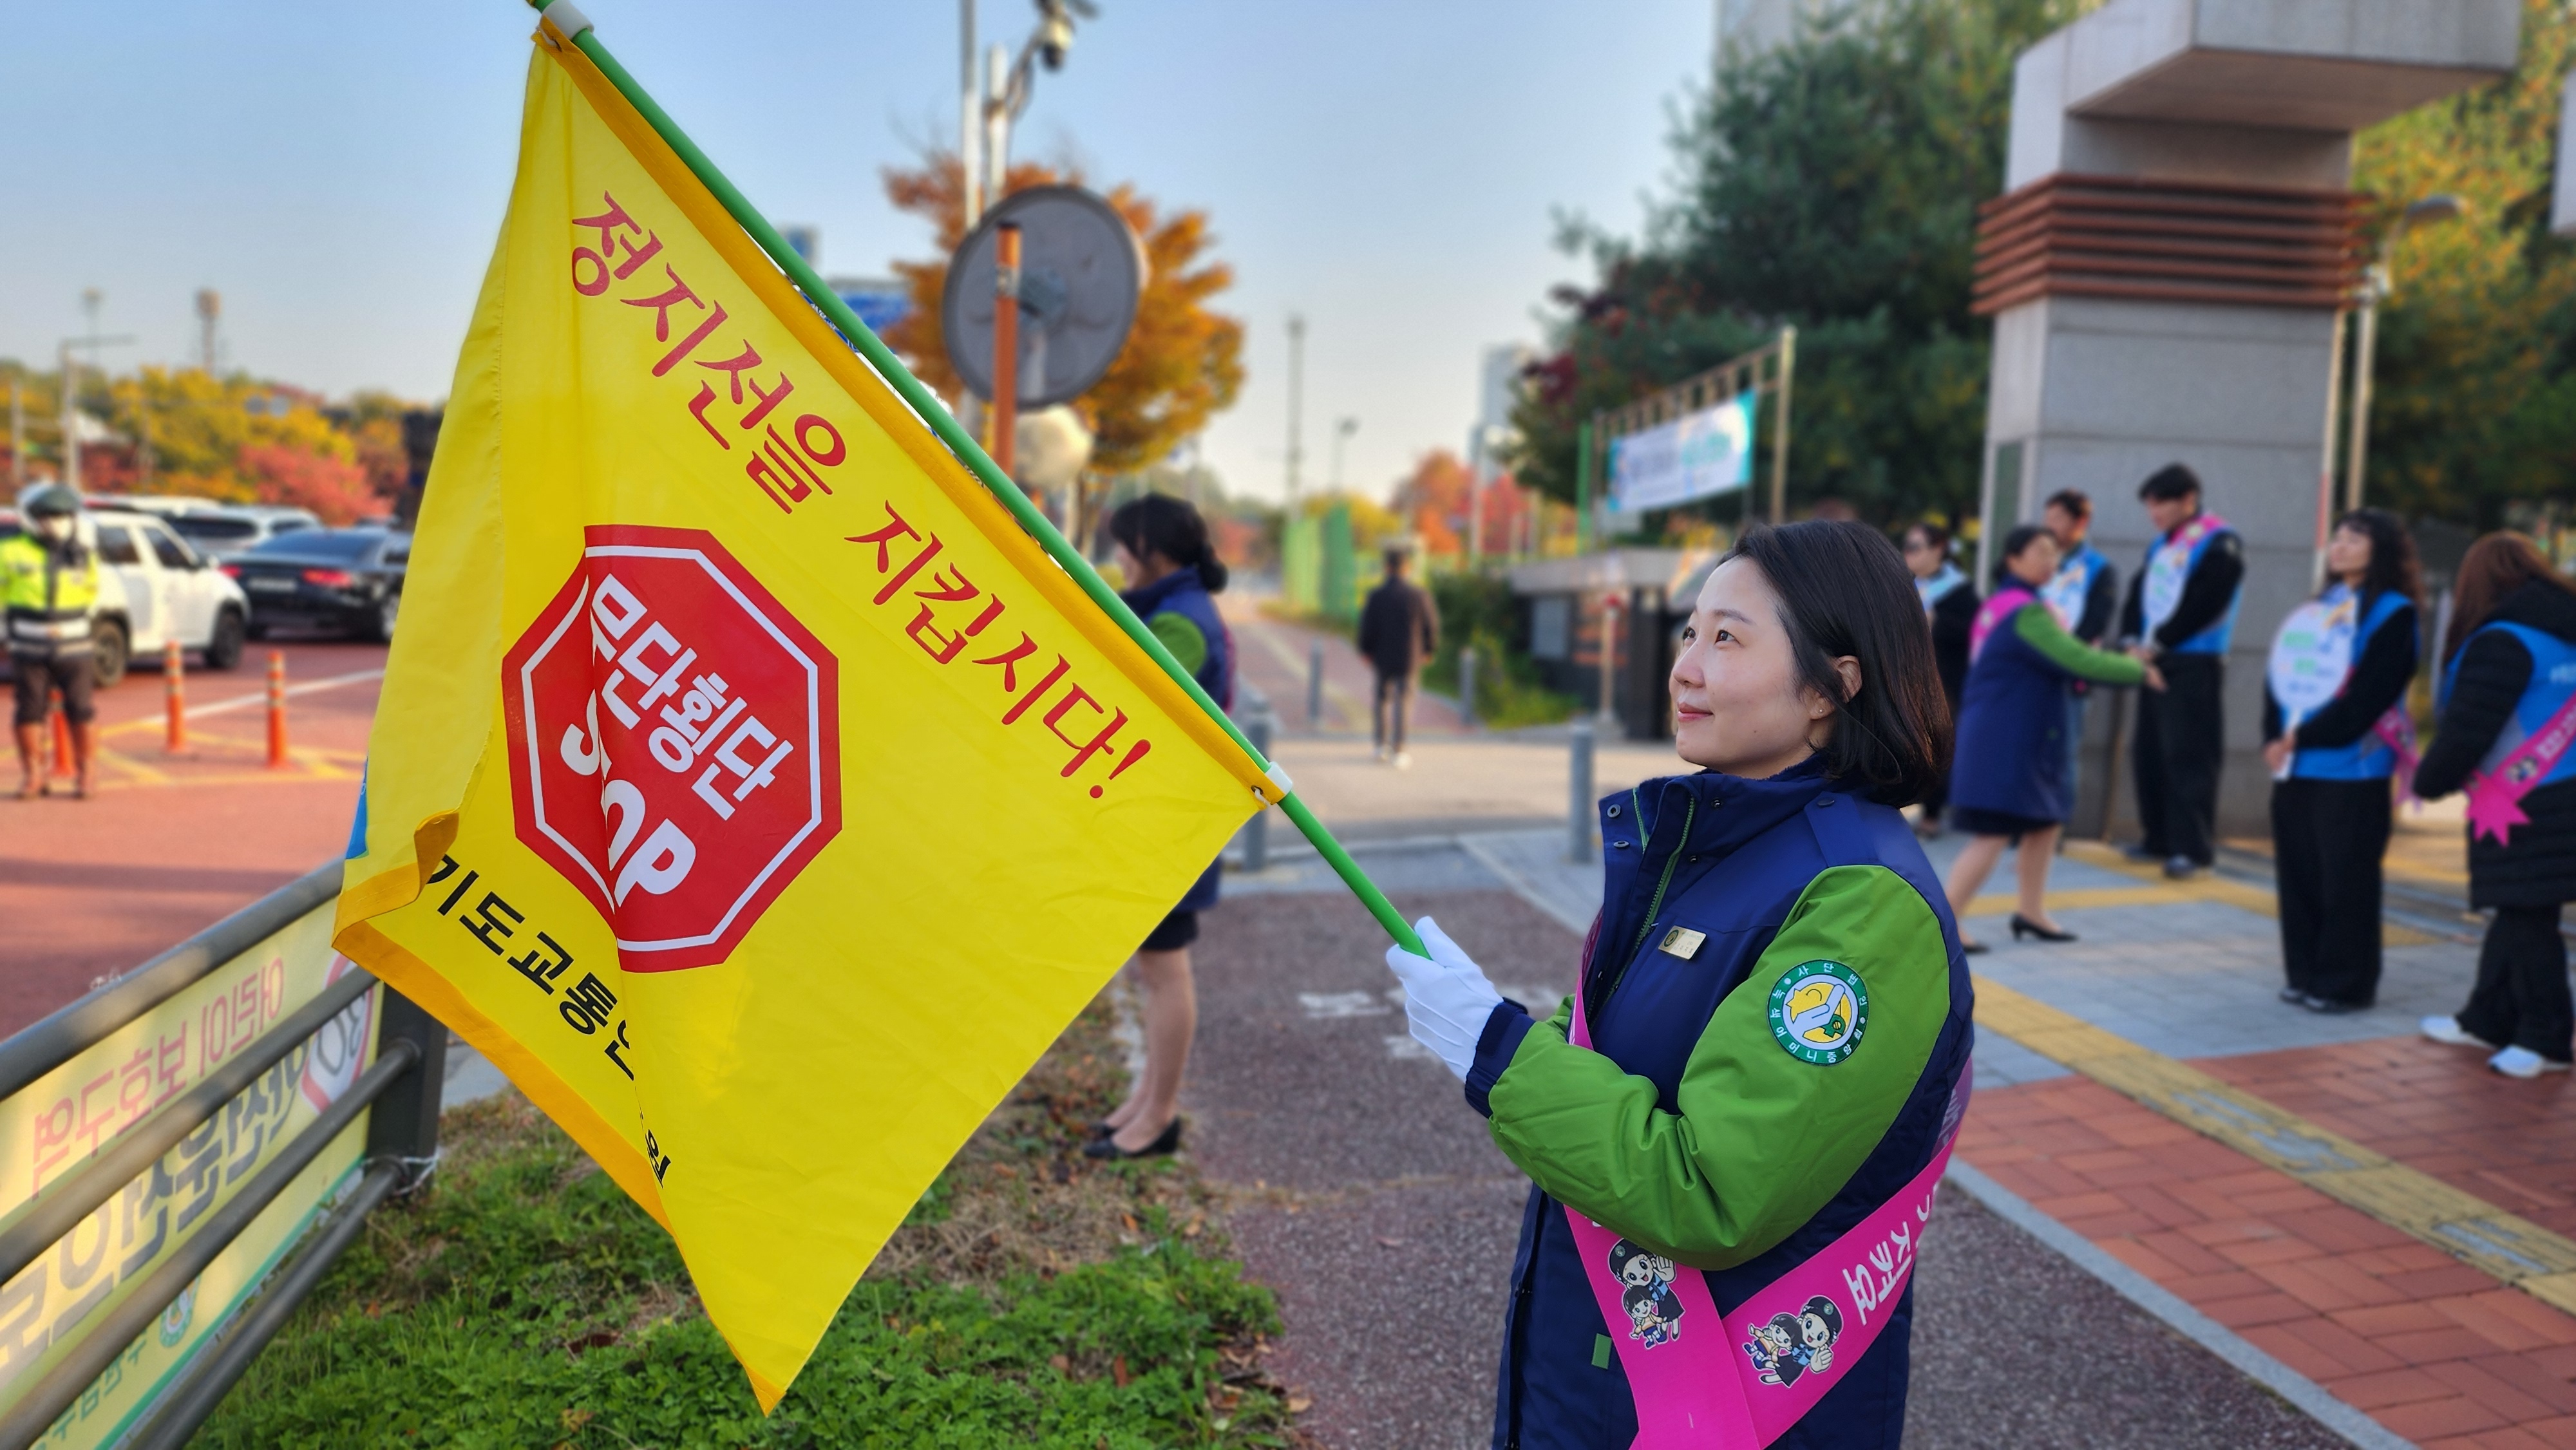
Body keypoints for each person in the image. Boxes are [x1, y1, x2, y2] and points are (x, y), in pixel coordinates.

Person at [1381, 520, 1971, 1448]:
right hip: (1606, 1380)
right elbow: (1616, 1054)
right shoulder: (1718, 845)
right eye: (1690, 632)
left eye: (1727, 639)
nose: (1685, 668)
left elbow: (1709, 1188)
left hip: (1730, 1408)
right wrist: (1507, 1029)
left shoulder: (1863, 902)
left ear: (1832, 686)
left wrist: (1496, 1050)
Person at [1088, 494, 1236, 1157]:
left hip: (1171, 823)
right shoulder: (1173, 608)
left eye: (1125, 544)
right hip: (1162, 817)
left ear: (1152, 548)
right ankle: (1145, 1101)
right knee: (1154, 971)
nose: (1119, 556)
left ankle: (1159, 1116)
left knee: (1165, 971)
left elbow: (1135, 703)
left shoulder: (1182, 622)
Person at [1942, 525, 2159, 953]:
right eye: (2040, 551)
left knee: (2044, 820)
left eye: (2054, 552)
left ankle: (2031, 912)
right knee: (1992, 832)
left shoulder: (2001, 604)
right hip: (2007, 740)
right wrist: (2137, 670)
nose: (2051, 560)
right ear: (2012, 559)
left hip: (2017, 735)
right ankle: (1947, 922)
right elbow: (2078, 658)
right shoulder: (2026, 613)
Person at [2412, 532, 2576, 1079]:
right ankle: (2486, 1018)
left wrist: (2429, 782)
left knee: (2528, 917)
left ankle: (2547, 1039)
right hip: (2559, 794)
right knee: (2519, 909)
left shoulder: (2502, 640)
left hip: (2521, 804)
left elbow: (2468, 728)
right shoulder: (2564, 634)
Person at [2261, 510, 2421, 1014]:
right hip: (2296, 764)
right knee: (2300, 877)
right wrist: (2272, 736)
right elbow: (2281, 674)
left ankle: (2345, 984)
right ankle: (2304, 973)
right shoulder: (2319, 607)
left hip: (2355, 768)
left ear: (2383, 549)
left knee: (2346, 882)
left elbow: (2370, 697)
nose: (2341, 545)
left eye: (2355, 538)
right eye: (2338, 536)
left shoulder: (2394, 614)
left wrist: (2301, 735)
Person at [2117, 464, 2243, 878]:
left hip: (2194, 661)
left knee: (2188, 756)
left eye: (2161, 504)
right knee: (2150, 752)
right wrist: (2132, 639)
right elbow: (2138, 593)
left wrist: (2161, 642)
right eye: (2150, 505)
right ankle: (2157, 838)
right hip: (2153, 658)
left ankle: (2192, 848)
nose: (2153, 513)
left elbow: (2207, 599)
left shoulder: (2219, 541)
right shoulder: (2162, 544)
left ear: (2188, 499)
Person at [4, 485, 101, 800]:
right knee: (29, 710)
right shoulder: (10, 551)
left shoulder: (82, 554)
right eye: (48, 516)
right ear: (31, 519)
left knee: (81, 709)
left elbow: (93, 591)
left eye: (62, 516)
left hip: (74, 644)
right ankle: (34, 775)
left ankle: (86, 775)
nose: (56, 522)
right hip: (28, 644)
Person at [2041, 489, 2119, 802]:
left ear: (2081, 522)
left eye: (2058, 518)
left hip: (2070, 675)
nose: (2050, 525)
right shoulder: (2039, 562)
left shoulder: (2099, 568)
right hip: (2033, 671)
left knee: (2063, 752)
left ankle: (2054, 821)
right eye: (2047, 518)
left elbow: (2096, 622)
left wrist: (2063, 654)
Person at [1902, 521, 1977, 837]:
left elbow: (1974, 630)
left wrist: (1938, 622)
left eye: (1916, 547)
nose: (1908, 554)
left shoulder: (1958, 589)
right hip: (1910, 679)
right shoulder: (1907, 586)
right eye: (1907, 546)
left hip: (1945, 682)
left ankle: (1933, 813)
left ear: (1938, 550)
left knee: (1938, 745)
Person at [1356, 545, 1437, 768]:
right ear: (1407, 568)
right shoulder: (1418, 595)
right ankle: (1399, 748)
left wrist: (1366, 650)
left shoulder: (1376, 596)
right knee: (1405, 699)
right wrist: (1428, 650)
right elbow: (1430, 626)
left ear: (1387, 568)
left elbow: (1367, 627)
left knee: (1382, 699)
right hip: (1410, 657)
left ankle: (1380, 745)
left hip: (1382, 656)